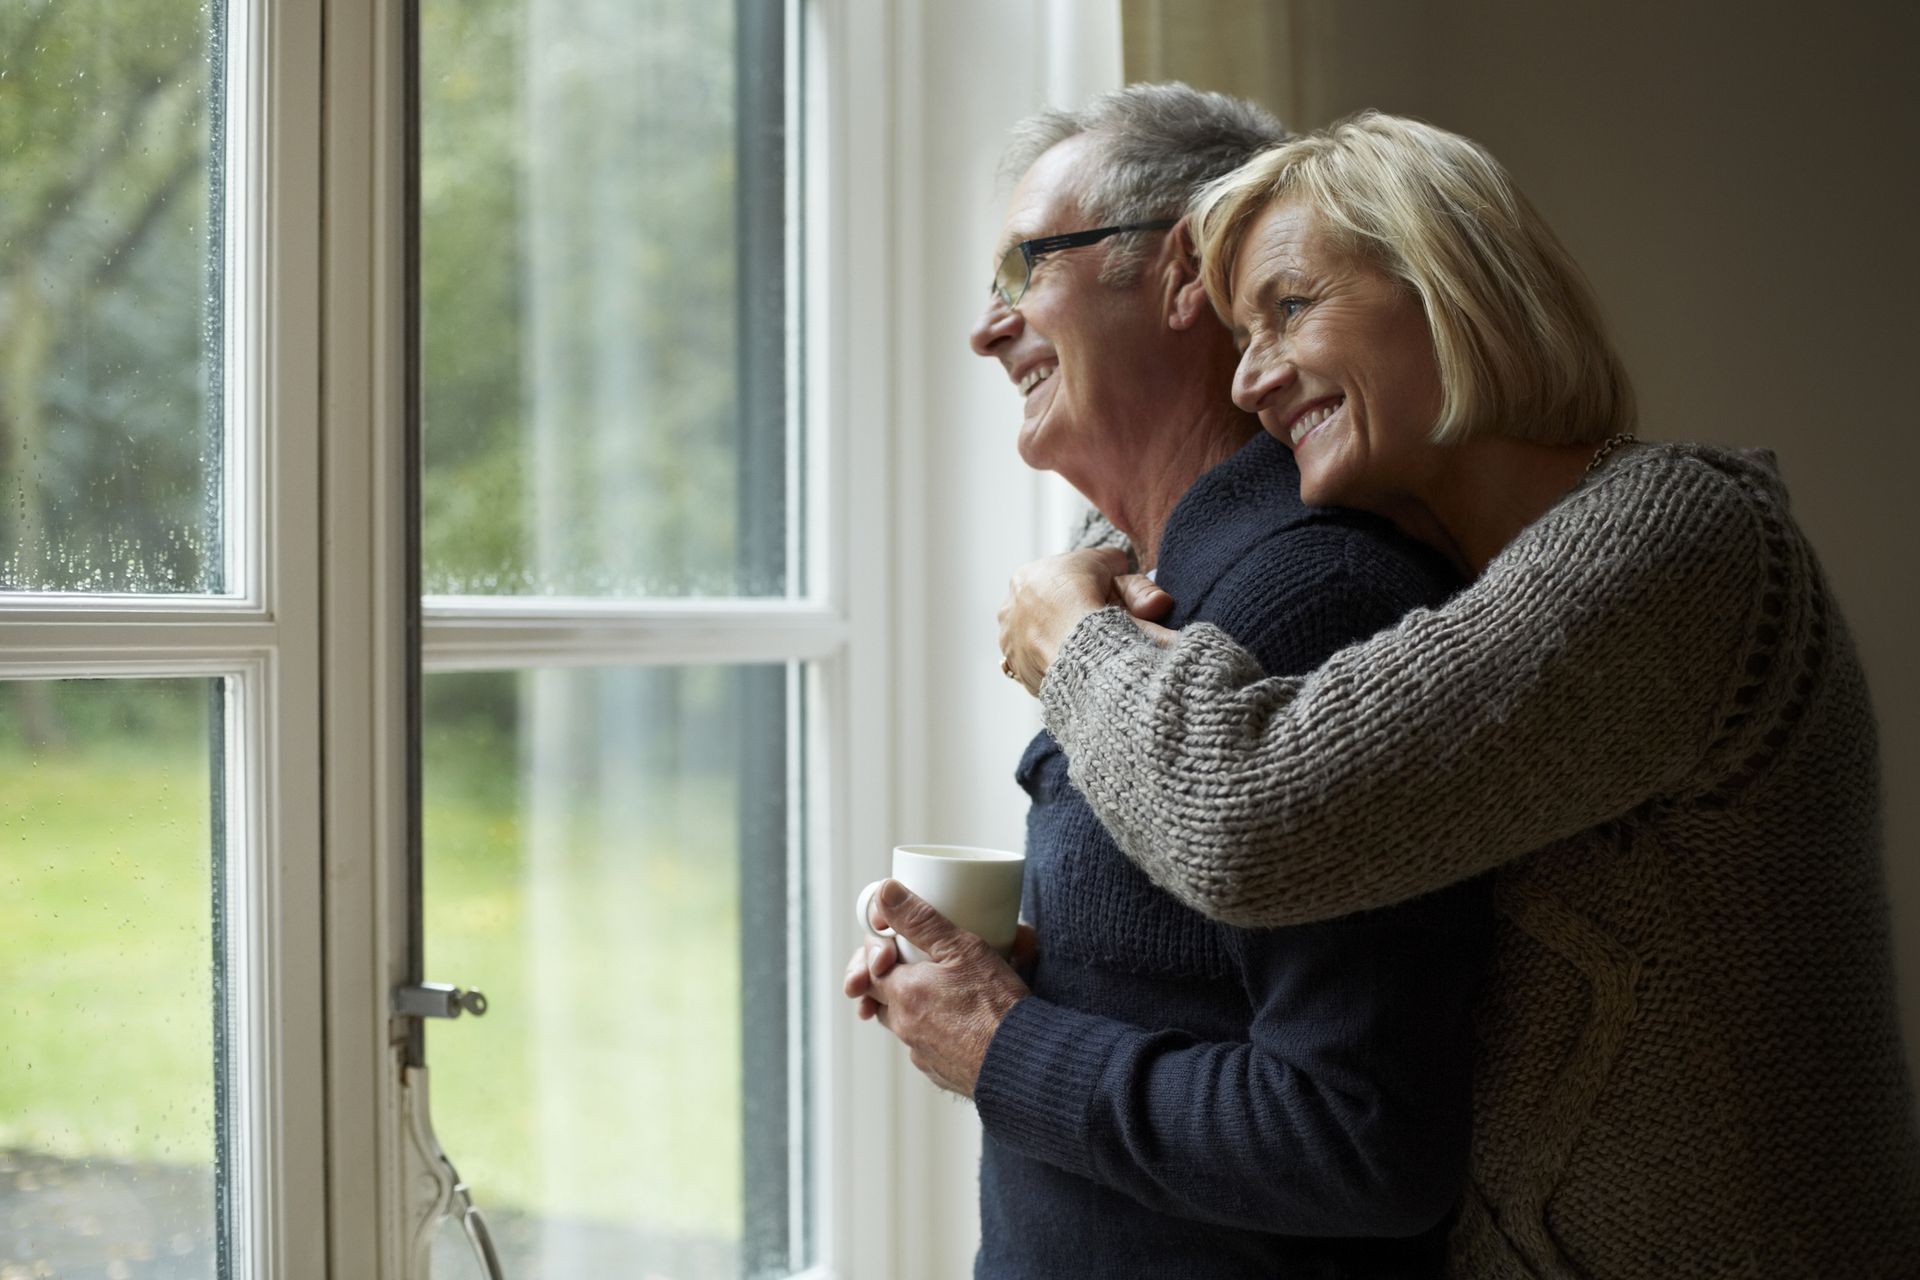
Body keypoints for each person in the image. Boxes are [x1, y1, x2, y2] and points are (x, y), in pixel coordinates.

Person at [993, 111, 1920, 1278]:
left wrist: (1070, 634)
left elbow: (1251, 817)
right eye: (1236, 336)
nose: (1253, 375)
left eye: (1290, 306)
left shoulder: (1682, 545)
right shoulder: (1470, 587)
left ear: (1450, 283)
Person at [844, 85, 1493, 1278]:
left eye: (1027, 269)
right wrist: (1008, 989)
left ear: (1187, 269)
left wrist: (1002, 1043)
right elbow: (1202, 994)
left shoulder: (1311, 603)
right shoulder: (1153, 588)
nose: (990, 332)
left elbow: (1360, 1142)